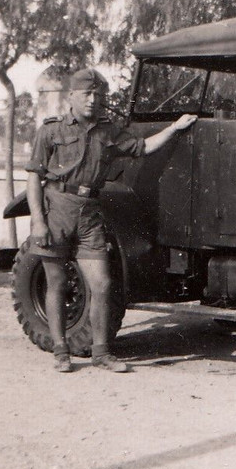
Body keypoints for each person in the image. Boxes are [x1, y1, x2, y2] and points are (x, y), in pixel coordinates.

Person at [25, 67, 197, 373]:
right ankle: (61, 350)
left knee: (102, 284)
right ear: (72, 97)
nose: (94, 100)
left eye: (99, 95)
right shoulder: (50, 131)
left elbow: (143, 147)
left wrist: (175, 127)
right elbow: (33, 178)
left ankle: (101, 353)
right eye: (87, 94)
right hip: (58, 208)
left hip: (90, 211)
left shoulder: (108, 131)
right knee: (57, 283)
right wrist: (38, 222)